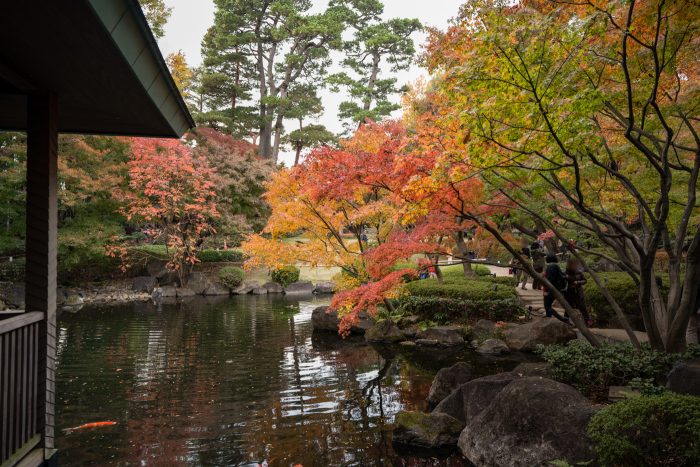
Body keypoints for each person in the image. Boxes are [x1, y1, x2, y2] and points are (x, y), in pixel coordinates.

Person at [543, 254, 570, 324]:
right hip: (556, 289)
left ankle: (563, 319)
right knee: (547, 306)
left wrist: (546, 290)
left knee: (547, 306)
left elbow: (550, 280)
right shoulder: (555, 266)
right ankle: (548, 318)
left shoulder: (551, 267)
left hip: (551, 289)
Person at [565, 257, 592, 326]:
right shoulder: (565, 273)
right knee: (568, 308)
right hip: (569, 293)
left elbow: (585, 280)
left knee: (583, 308)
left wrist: (578, 282)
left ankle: (588, 322)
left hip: (578, 293)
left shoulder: (578, 272)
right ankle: (565, 321)